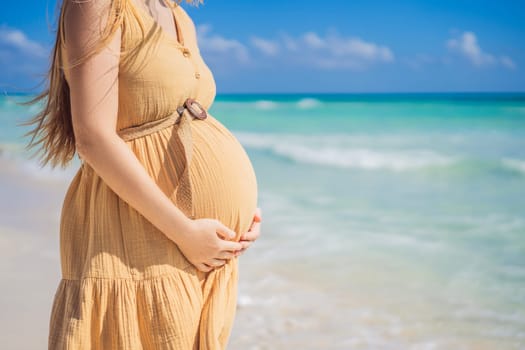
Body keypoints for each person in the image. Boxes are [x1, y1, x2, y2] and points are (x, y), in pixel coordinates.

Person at [22, 0, 262, 348]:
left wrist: (244, 216)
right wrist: (185, 233)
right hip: (137, 228)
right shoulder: (98, 5)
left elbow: (190, 123)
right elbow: (93, 137)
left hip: (196, 251)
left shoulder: (179, 16)